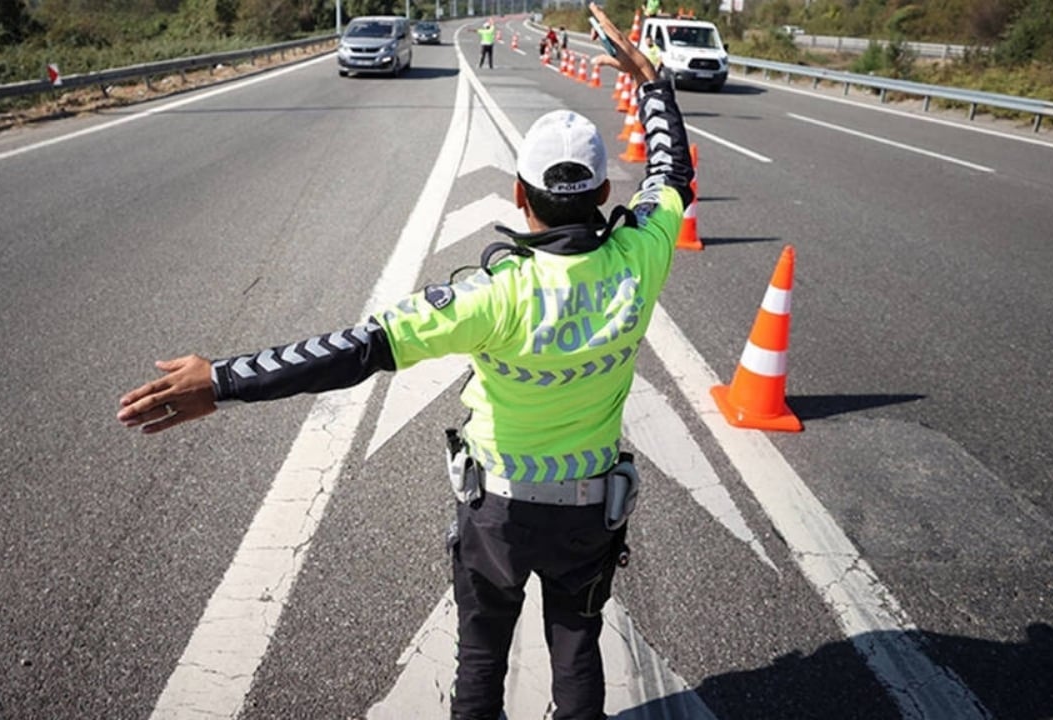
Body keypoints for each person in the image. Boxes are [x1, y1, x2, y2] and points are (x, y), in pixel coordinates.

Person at [115, 4, 693, 718]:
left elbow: (352, 351)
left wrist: (223, 381)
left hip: (499, 514)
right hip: (588, 509)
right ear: (606, 194)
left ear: (520, 195)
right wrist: (652, 83)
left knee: (481, 660)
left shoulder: (490, 297)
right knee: (576, 646)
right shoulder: (644, 254)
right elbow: (672, 171)